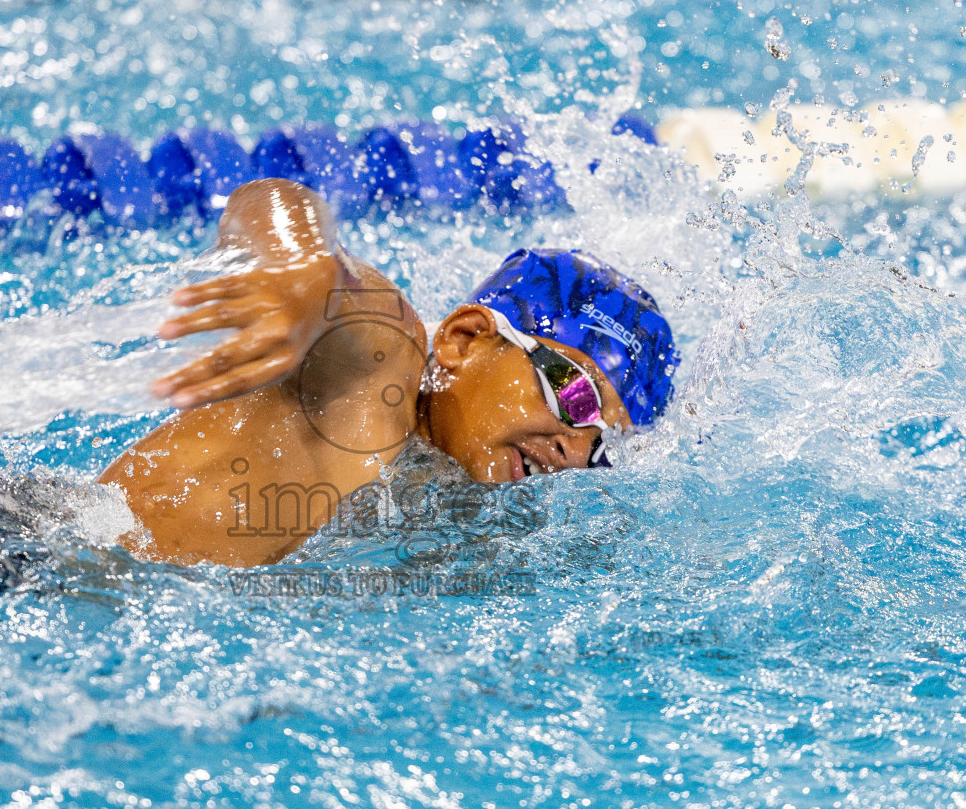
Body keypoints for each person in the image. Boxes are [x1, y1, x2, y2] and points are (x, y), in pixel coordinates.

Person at [99, 178, 677, 567]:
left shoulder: (468, 520)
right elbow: (272, 200)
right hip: (43, 551)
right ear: (466, 339)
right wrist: (302, 276)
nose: (571, 451)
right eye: (576, 396)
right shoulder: (382, 369)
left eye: (601, 446)